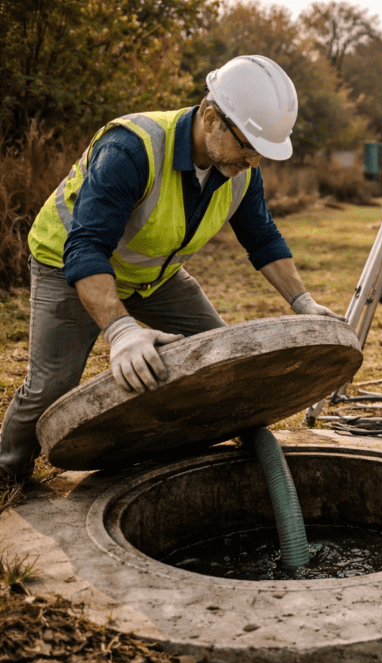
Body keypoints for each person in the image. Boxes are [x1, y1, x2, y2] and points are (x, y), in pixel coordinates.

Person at [0, 55, 343, 486]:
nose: (254, 162)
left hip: (153, 276)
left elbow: (262, 239)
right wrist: (121, 332)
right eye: (248, 147)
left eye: (261, 153)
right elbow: (86, 248)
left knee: (222, 359)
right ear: (211, 117)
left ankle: (195, 451)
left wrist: (303, 302)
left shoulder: (238, 170)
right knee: (51, 385)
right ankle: (7, 470)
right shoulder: (131, 149)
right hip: (70, 263)